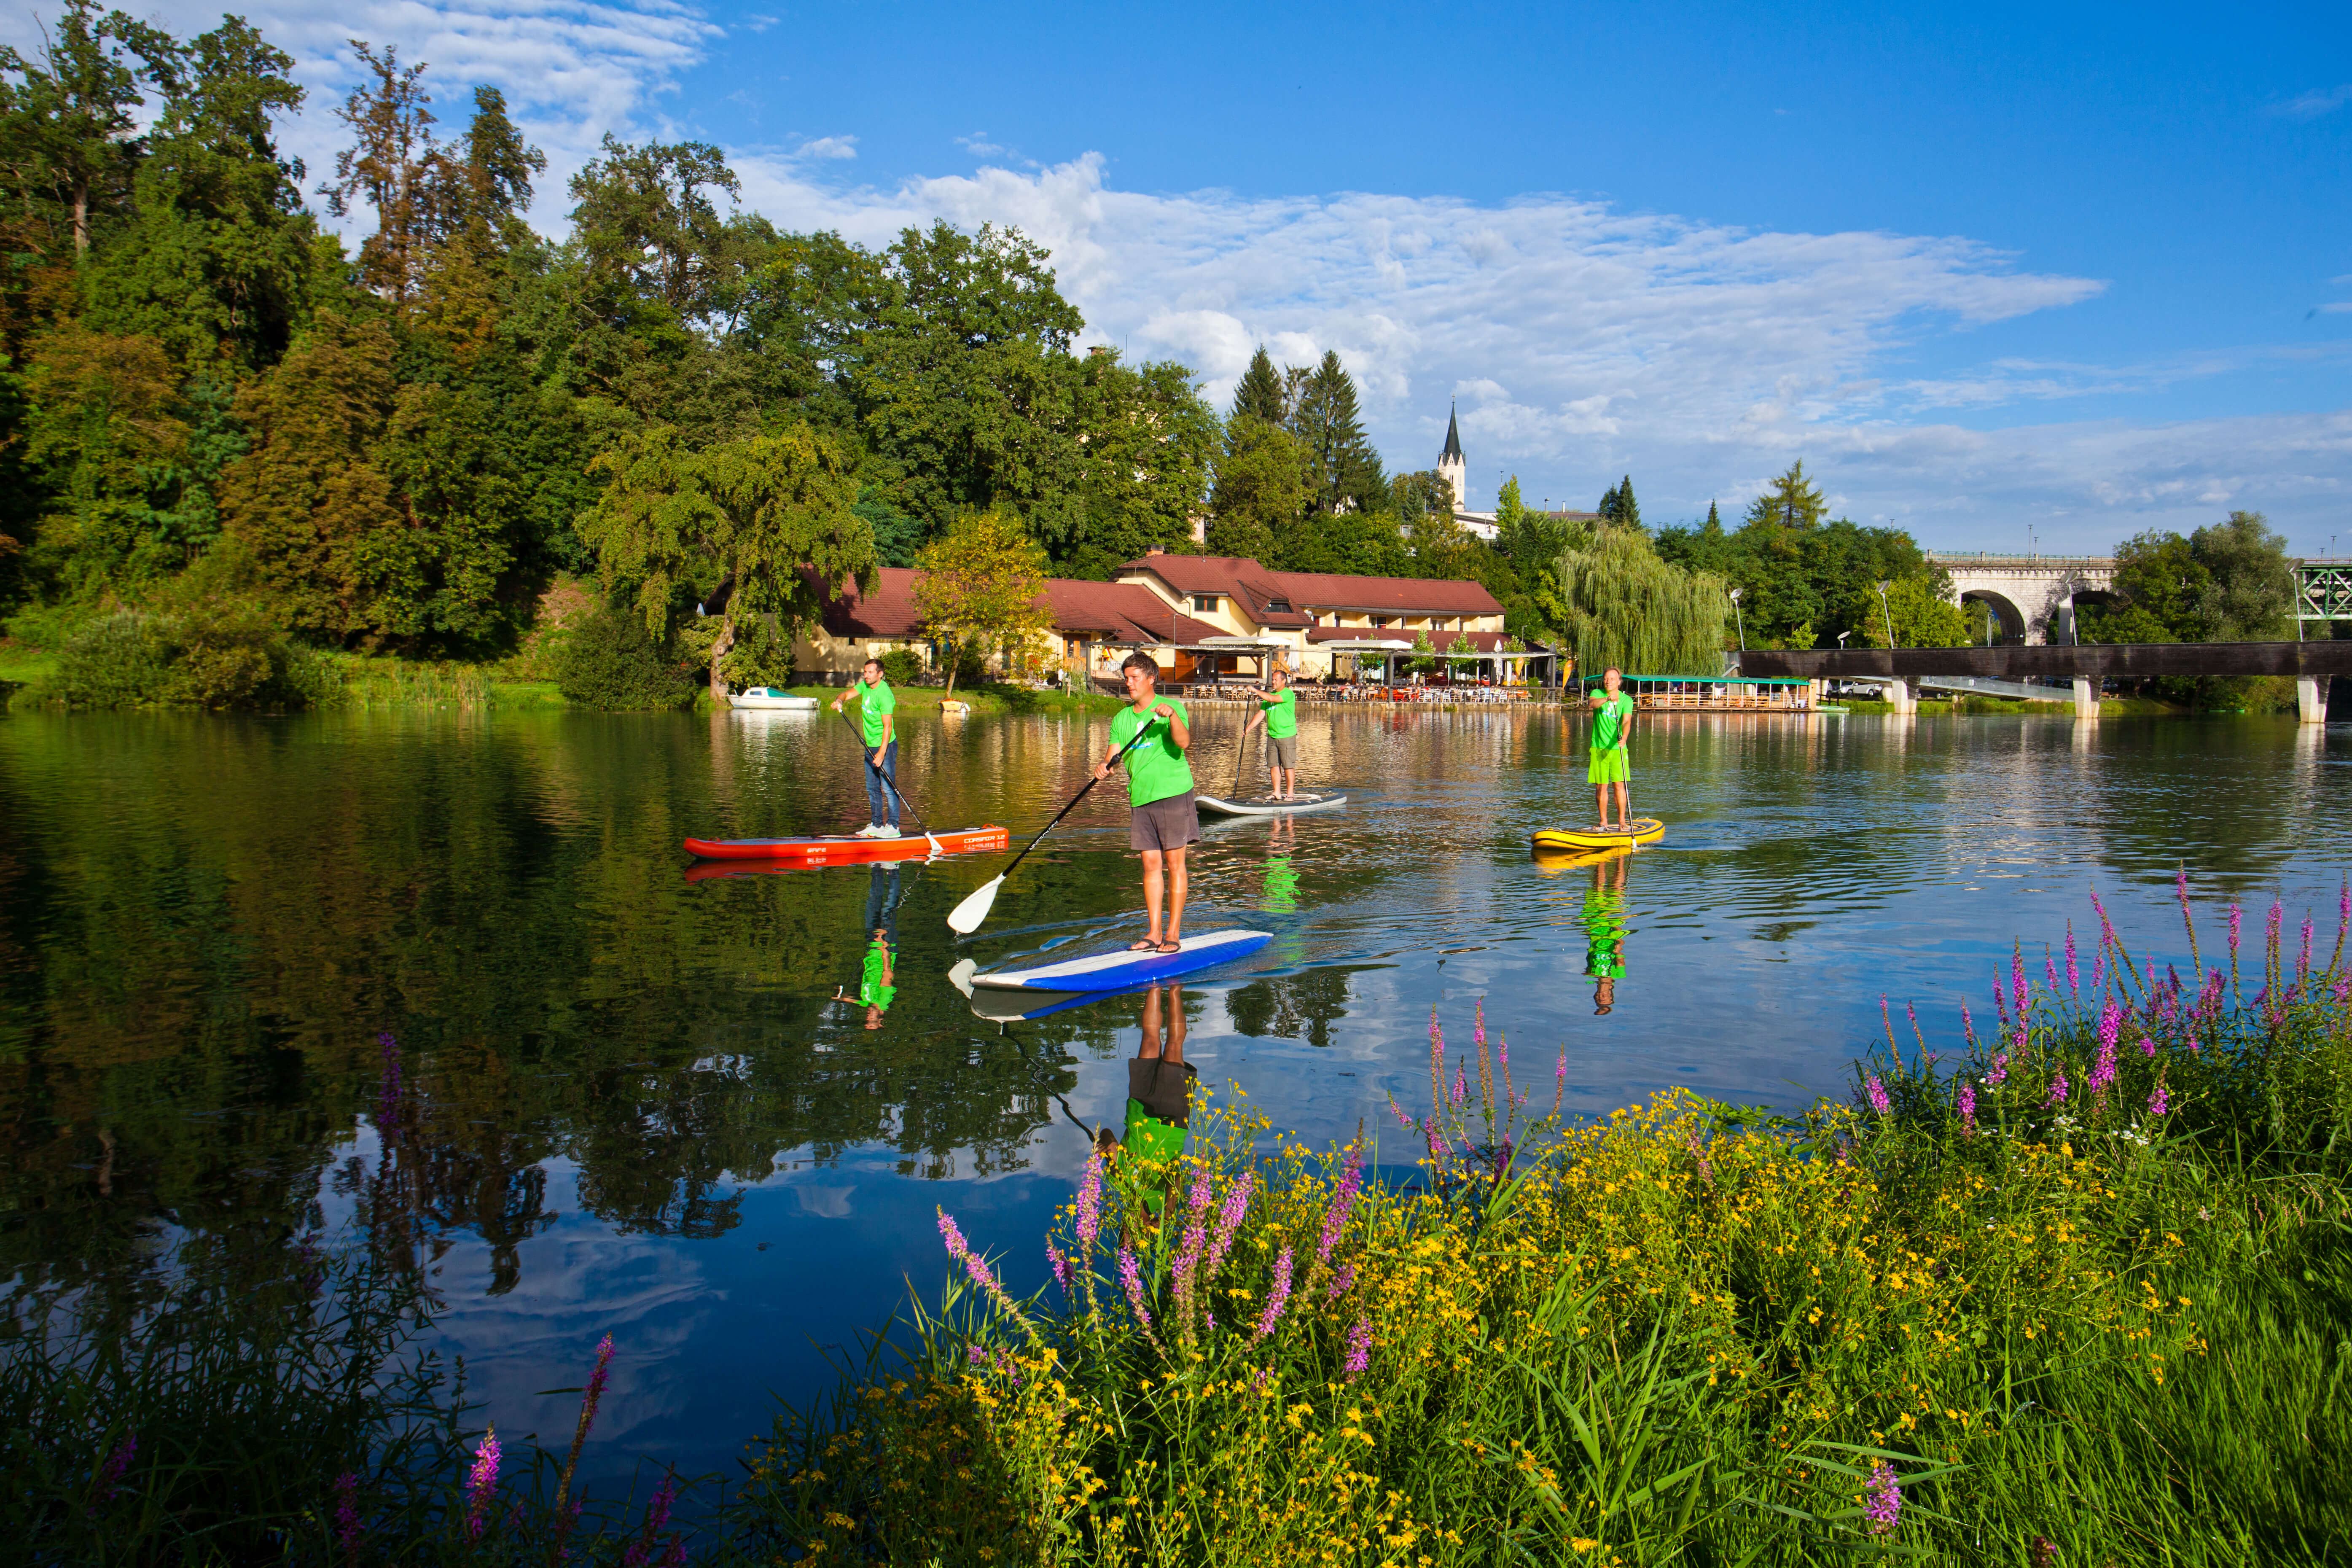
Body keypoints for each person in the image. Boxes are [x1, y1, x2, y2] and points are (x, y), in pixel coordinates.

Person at [1094, 651, 1196, 953]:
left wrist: (1173, 717)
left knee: (1174, 864)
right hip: (1140, 797)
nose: (1129, 683)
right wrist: (1104, 768)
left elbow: (1184, 743)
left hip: (1173, 793)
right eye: (1126, 678)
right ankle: (1153, 932)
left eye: (1135, 677)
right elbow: (1113, 755)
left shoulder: (1172, 708)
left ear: (1151, 679)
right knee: (1150, 865)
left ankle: (1173, 933)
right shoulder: (1122, 718)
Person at [1095, 982, 1195, 1235]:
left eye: (1126, 1234)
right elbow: (1178, 1180)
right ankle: (1175, 988)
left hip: (1139, 1106)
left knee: (1149, 1039)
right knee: (1174, 1046)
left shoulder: (1118, 1182)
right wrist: (1161, 1215)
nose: (1135, 1228)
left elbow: (1107, 1133)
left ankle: (1154, 984)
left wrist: (1105, 1147)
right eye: (1136, 1235)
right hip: (1171, 1122)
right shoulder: (1165, 1208)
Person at [830, 658, 898, 838]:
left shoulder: (884, 695)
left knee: (888, 787)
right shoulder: (865, 687)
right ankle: (876, 825)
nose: (866, 675)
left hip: (886, 745)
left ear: (880, 675)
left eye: (870, 672)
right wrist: (839, 702)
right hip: (869, 744)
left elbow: (888, 727)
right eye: (865, 672)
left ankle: (893, 827)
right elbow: (845, 694)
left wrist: (882, 753)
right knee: (872, 787)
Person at [834, 863, 900, 1030]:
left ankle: (876, 868)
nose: (868, 1016)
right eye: (871, 1020)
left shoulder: (868, 1002)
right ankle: (894, 870)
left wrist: (841, 999)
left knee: (872, 903)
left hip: (872, 947)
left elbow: (855, 1000)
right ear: (880, 1019)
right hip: (885, 948)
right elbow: (888, 973)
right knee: (888, 907)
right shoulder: (883, 1001)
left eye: (867, 1019)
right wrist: (884, 946)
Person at [1586, 667, 1635, 832]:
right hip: (1599, 747)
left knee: (1619, 786)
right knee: (1601, 787)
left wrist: (1625, 738)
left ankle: (1622, 822)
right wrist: (1608, 699)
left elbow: (1627, 721)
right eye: (1606, 679)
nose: (1609, 681)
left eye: (1612, 679)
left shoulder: (1626, 700)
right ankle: (1603, 822)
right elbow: (1591, 705)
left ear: (1619, 682)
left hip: (1617, 749)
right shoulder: (1598, 694)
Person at [1582, 849, 1630, 1015]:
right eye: (1605, 997)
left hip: (1595, 932)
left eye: (1599, 998)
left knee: (1598, 889)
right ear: (1611, 992)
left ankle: (1600, 858)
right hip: (1611, 933)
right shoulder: (1618, 974)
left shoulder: (1590, 977)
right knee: (1616, 890)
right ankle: (1621, 858)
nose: (1601, 996)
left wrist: (1588, 933)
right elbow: (1619, 953)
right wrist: (1617, 930)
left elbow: (1589, 955)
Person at [1243, 664, 1301, 800]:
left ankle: (1290, 795)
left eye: (1275, 680)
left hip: (1287, 736)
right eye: (1273, 679)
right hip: (1272, 735)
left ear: (1283, 681)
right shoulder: (1269, 696)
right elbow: (1261, 713)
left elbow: (1272, 699)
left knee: (1288, 766)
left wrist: (1255, 691)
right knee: (1274, 765)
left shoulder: (1287, 694)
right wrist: (1249, 728)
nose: (1273, 682)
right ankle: (1277, 792)